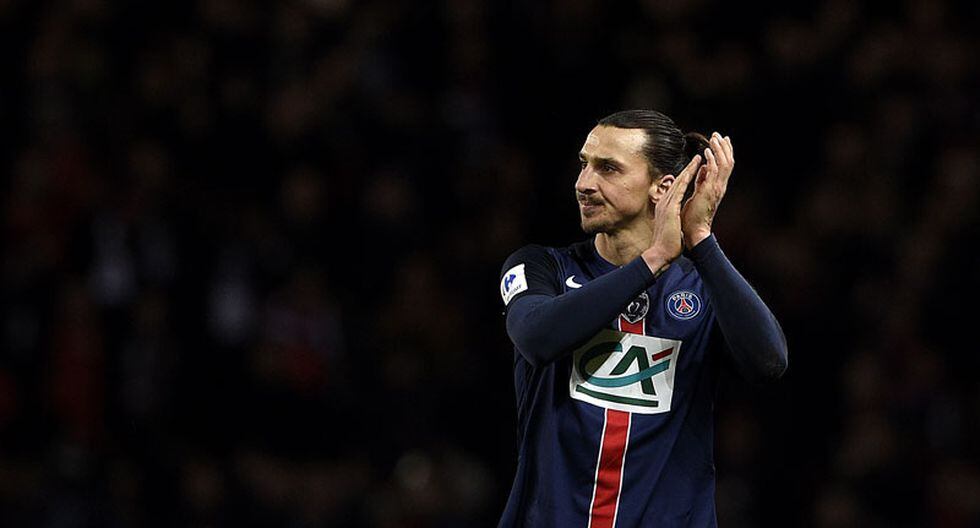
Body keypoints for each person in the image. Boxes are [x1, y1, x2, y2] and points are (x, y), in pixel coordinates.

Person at [497, 110, 788, 527]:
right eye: (584, 164)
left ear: (662, 187)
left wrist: (700, 238)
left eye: (608, 168)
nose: (584, 183)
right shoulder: (542, 268)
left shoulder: (705, 288)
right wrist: (653, 260)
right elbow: (536, 337)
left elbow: (769, 363)